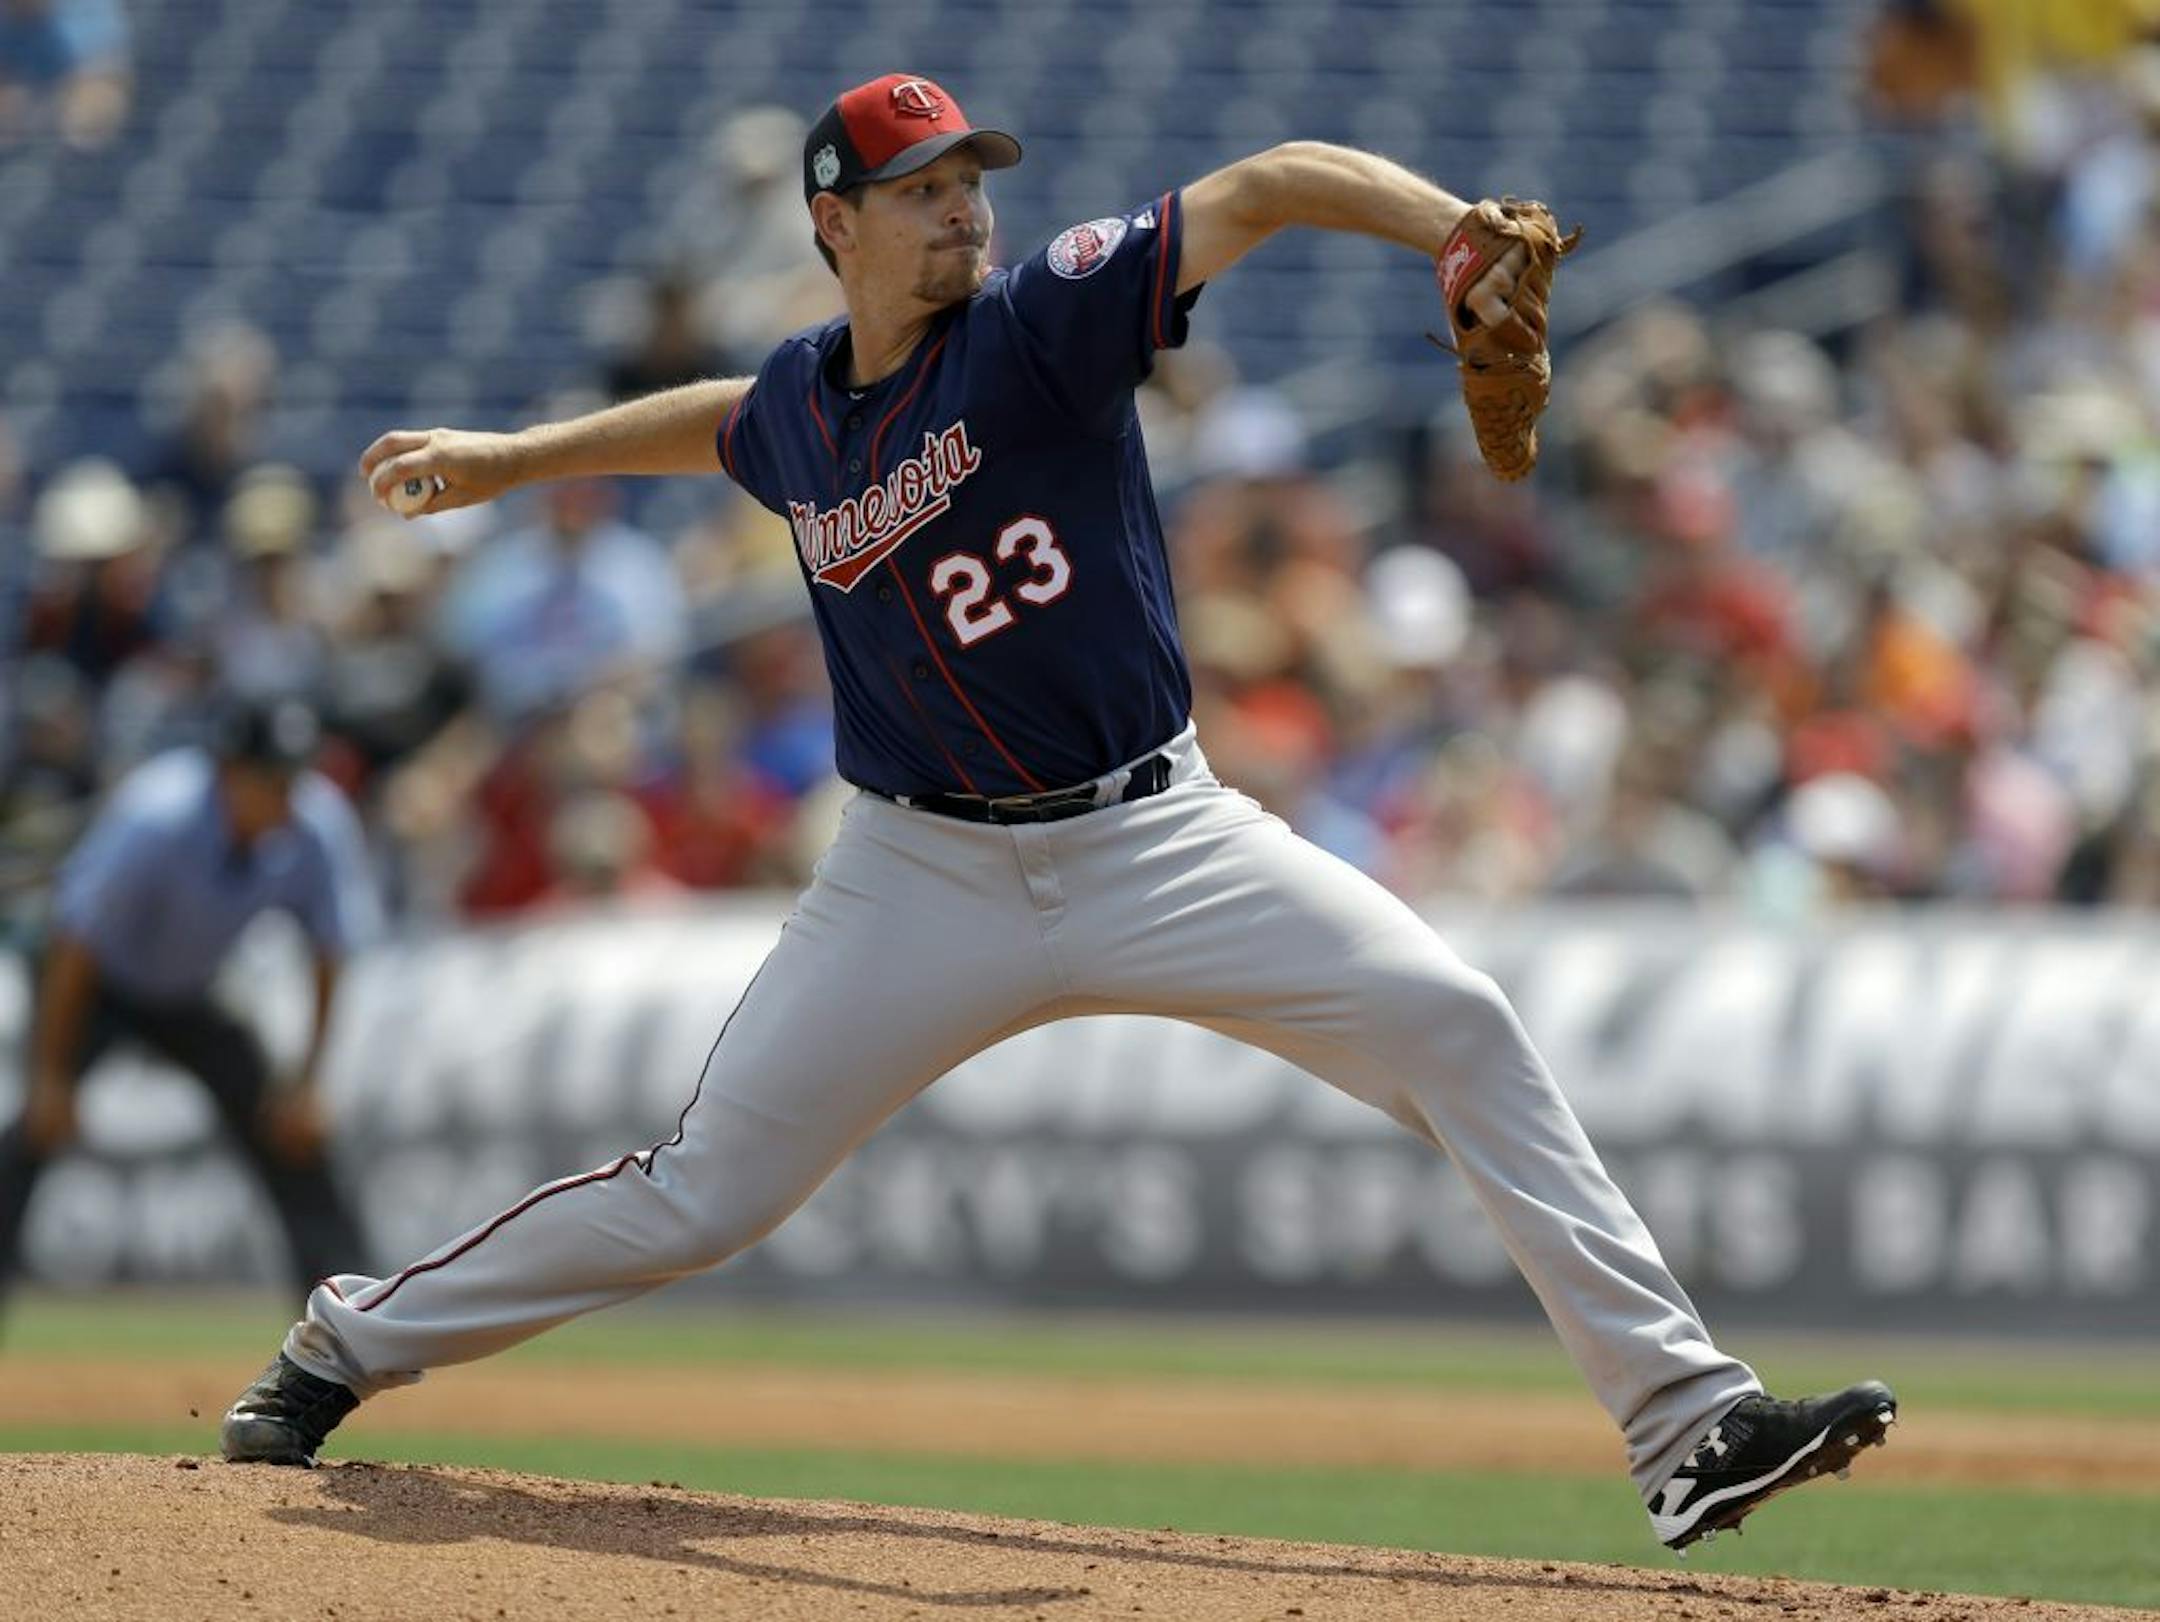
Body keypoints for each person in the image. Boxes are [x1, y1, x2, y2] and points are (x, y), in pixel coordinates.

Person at [220, 73, 1895, 1553]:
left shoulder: (1043, 325)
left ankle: (1689, 1428)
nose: (966, 208)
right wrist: (513, 459)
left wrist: (1451, 227)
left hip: (1159, 837)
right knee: (706, 1190)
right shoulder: (804, 403)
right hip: (916, 872)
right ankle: (339, 1347)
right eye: (925, 190)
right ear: (837, 225)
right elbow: (716, 425)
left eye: (973, 182)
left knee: (1453, 1019)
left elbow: (1272, 180)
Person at [1, 695, 378, 1300]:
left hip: (192, 986)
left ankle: (352, 1317)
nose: (286, 796)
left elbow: (330, 951)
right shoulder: (159, 814)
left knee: (288, 1131)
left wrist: (308, 1083)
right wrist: (50, 1076)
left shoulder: (316, 822)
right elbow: (75, 942)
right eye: (271, 780)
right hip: (92, 982)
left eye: (294, 779)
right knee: (31, 1136)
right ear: (229, 771)